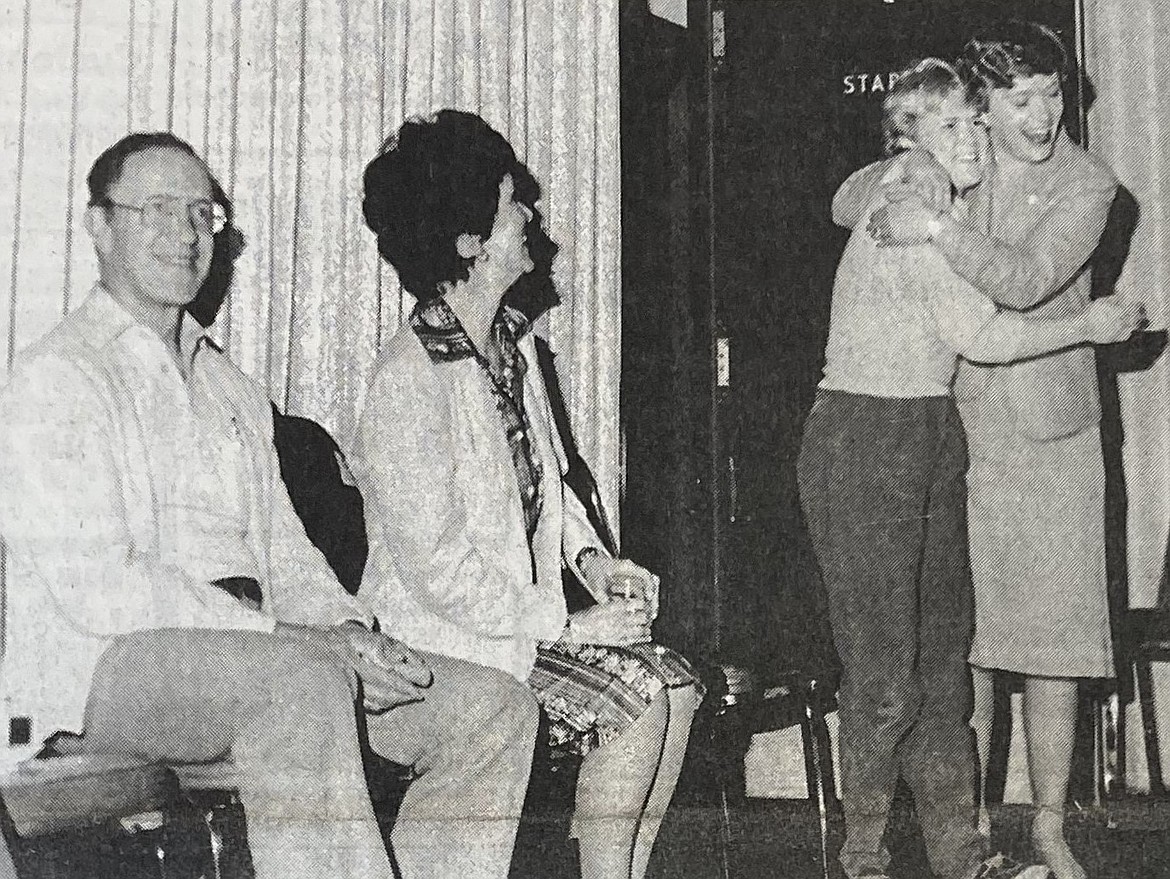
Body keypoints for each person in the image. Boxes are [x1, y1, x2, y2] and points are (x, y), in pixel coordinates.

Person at [0, 132, 539, 879]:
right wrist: (291, 638)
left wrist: (349, 631)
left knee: (494, 709)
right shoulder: (57, 376)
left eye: (202, 212)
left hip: (262, 651)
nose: (186, 232)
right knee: (299, 681)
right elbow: (104, 590)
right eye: (158, 208)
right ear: (100, 225)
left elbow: (287, 552)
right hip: (105, 670)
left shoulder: (230, 388)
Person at [800, 59, 1141, 879]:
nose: (975, 137)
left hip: (930, 430)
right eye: (949, 126)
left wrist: (921, 176)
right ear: (908, 140)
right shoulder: (909, 200)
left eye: (970, 121)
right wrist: (1091, 325)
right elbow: (985, 335)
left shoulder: (940, 203)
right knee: (886, 675)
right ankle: (864, 854)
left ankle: (962, 857)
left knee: (944, 666)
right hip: (864, 436)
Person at [353, 109, 703, 879]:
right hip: (441, 646)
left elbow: (554, 488)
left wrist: (595, 562)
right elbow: (439, 571)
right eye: (514, 203)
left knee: (678, 683)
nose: (531, 216)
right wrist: (573, 623)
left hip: (521, 626)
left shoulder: (515, 347)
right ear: (468, 241)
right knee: (638, 698)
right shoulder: (407, 380)